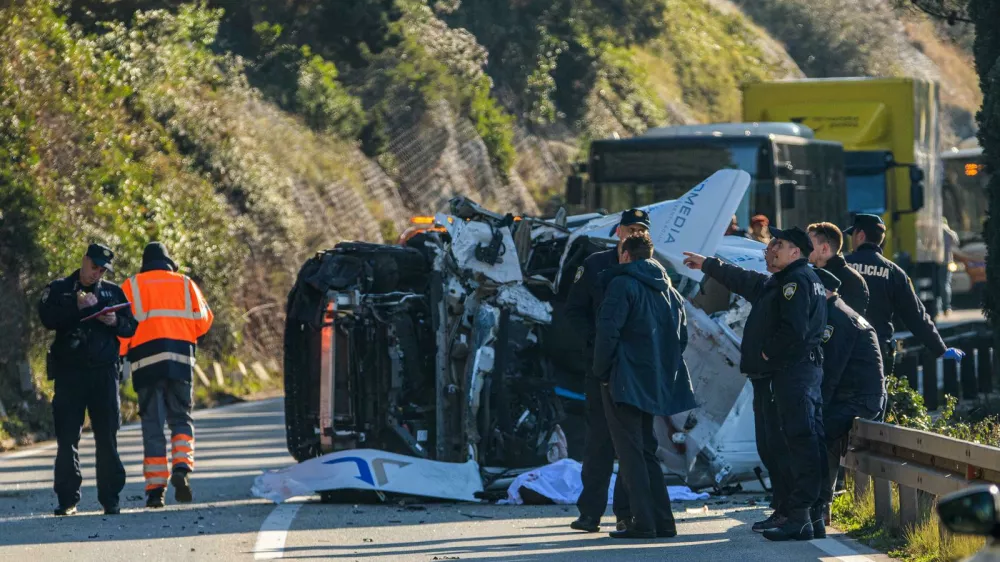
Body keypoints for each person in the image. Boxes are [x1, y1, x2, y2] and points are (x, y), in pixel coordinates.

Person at [684, 226, 827, 541]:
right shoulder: (781, 282)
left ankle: (800, 516)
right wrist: (708, 264)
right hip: (783, 376)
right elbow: (743, 279)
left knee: (792, 444)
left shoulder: (795, 282)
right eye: (771, 242)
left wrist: (767, 352)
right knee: (776, 445)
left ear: (795, 252)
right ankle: (796, 513)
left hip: (789, 375)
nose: (771, 248)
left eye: (779, 244)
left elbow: (795, 331)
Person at [593, 231, 696, 539]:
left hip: (624, 379)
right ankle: (664, 521)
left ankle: (643, 523)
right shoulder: (670, 291)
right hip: (654, 381)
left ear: (625, 255)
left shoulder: (621, 284)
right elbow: (681, 340)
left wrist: (601, 371)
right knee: (647, 450)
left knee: (630, 453)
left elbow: (607, 333)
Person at [565, 209, 652, 532]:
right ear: (618, 231)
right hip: (602, 365)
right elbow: (574, 311)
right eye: (630, 228)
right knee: (599, 441)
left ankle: (626, 513)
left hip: (636, 368)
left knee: (634, 442)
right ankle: (590, 513)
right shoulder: (595, 265)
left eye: (640, 230)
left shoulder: (651, 268)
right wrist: (595, 342)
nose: (633, 234)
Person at [38, 244, 138, 516]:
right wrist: (76, 307)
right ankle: (67, 499)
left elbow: (131, 326)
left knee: (107, 437)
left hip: (104, 373)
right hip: (70, 373)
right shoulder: (59, 289)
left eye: (102, 270)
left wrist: (114, 321)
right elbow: (47, 318)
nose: (97, 273)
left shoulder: (112, 292)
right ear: (84, 261)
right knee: (67, 437)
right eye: (94, 267)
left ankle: (110, 499)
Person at [119, 242, 214, 508]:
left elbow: (122, 327)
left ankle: (155, 490)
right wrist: (184, 333)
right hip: (180, 361)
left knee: (153, 425)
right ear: (169, 262)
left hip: (146, 364)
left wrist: (123, 352)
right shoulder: (185, 283)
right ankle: (182, 467)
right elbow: (204, 320)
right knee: (181, 418)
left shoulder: (132, 286)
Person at [843, 214, 964, 383]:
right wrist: (940, 349)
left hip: (843, 350)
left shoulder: (841, 266)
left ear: (861, 235)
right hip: (878, 350)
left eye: (853, 235)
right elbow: (916, 316)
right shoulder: (894, 273)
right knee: (875, 397)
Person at [811, 268, 885, 538]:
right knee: (822, 429)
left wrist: (818, 407)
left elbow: (832, 370)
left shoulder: (837, 319)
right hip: (857, 396)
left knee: (818, 433)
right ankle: (820, 506)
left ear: (822, 291)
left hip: (861, 399)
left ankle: (818, 507)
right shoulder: (838, 312)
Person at [807, 222, 869, 315]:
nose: (805, 248)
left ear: (824, 248)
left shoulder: (852, 280)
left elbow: (851, 319)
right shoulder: (810, 275)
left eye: (809, 244)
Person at [941, 219, 959, 316]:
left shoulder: (935, 232)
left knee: (939, 285)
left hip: (936, 261)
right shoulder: (950, 233)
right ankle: (946, 307)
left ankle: (938, 307)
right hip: (947, 261)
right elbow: (956, 244)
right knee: (946, 284)